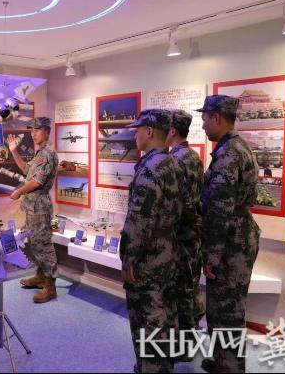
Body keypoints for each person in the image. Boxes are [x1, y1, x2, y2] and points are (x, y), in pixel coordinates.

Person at [197, 95, 260, 373]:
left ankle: (230, 367)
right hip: (238, 236)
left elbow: (220, 209)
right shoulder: (239, 146)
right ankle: (225, 361)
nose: (203, 125)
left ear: (216, 117)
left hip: (229, 242)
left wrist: (211, 255)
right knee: (228, 308)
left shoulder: (228, 154)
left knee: (226, 311)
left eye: (205, 119)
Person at [120, 109, 183, 373]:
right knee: (165, 315)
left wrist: (129, 258)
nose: (135, 136)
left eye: (137, 131)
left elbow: (140, 220)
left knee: (146, 320)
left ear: (148, 132)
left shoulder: (149, 168)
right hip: (168, 253)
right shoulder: (172, 163)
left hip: (147, 260)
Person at [7, 117, 59, 303]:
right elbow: (25, 170)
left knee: (43, 245)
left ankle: (50, 287)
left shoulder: (48, 154)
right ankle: (40, 276)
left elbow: (37, 182)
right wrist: (14, 151)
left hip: (40, 207)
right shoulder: (40, 153)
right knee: (35, 243)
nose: (33, 133)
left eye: (37, 130)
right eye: (31, 130)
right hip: (33, 207)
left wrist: (19, 191)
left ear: (47, 131)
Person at [165, 109, 205, 352]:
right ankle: (189, 339)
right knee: (190, 287)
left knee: (180, 290)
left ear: (172, 131)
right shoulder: (194, 157)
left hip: (180, 236)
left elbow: (174, 204)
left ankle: (184, 345)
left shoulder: (174, 161)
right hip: (193, 234)